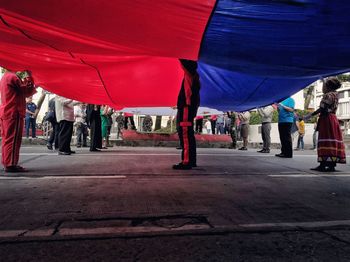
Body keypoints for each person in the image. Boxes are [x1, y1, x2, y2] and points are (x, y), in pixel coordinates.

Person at [305, 77, 346, 172]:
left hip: (326, 120)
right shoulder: (336, 94)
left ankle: (323, 165)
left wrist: (309, 115)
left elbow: (322, 108)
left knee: (325, 140)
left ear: (328, 86)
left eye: (325, 85)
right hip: (333, 119)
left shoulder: (327, 95)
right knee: (332, 140)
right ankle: (332, 165)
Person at [0, 71, 36, 172]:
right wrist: (29, 78)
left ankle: (7, 162)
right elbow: (26, 91)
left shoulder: (5, 77)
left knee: (7, 139)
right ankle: (11, 164)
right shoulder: (13, 77)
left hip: (7, 111)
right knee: (14, 140)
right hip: (13, 112)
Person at [173, 59, 200, 170]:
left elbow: (184, 62)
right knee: (188, 134)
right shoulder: (193, 75)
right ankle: (191, 160)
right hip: (187, 107)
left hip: (186, 107)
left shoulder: (190, 74)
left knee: (185, 134)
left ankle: (187, 161)